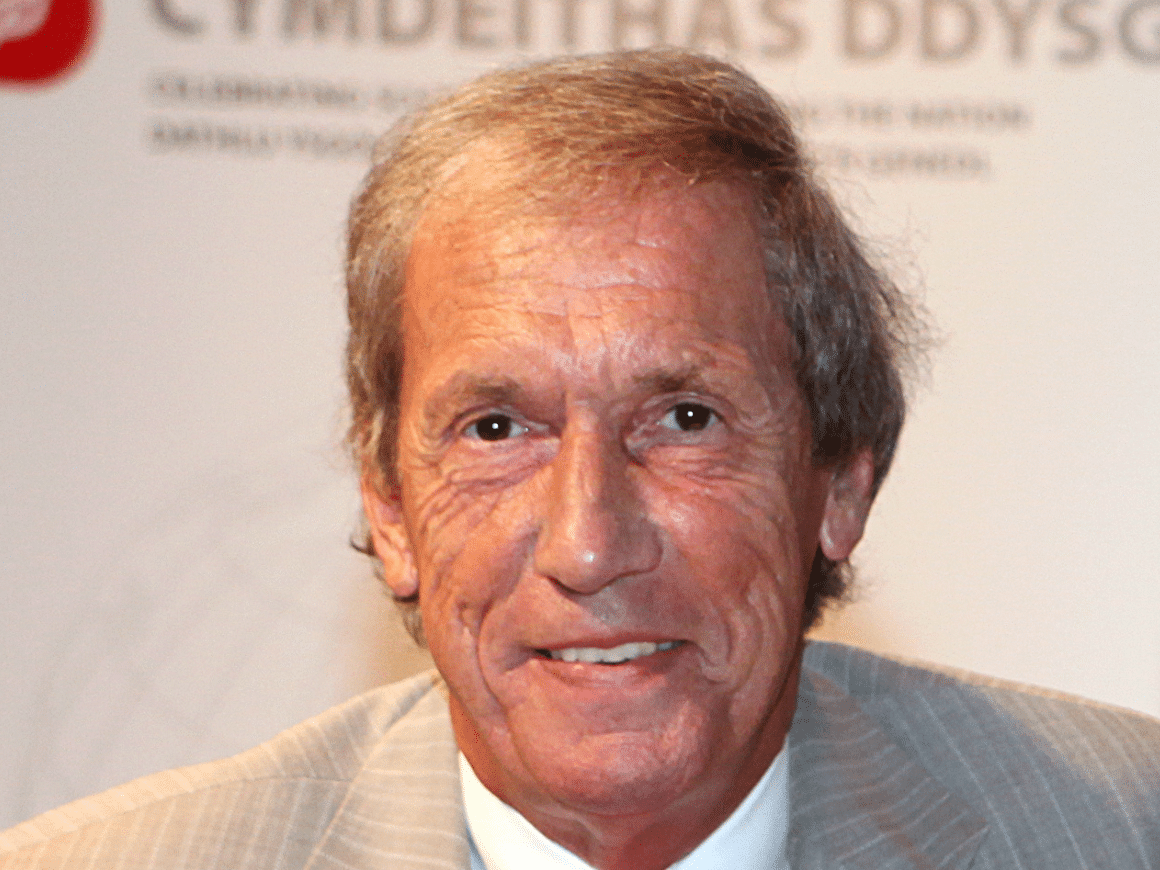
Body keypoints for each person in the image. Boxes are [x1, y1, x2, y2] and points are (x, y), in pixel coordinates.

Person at [2, 48, 1158, 870]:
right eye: (496, 429)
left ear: (839, 485)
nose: (589, 544)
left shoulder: (1120, 833)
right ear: (389, 504)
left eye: (685, 420)